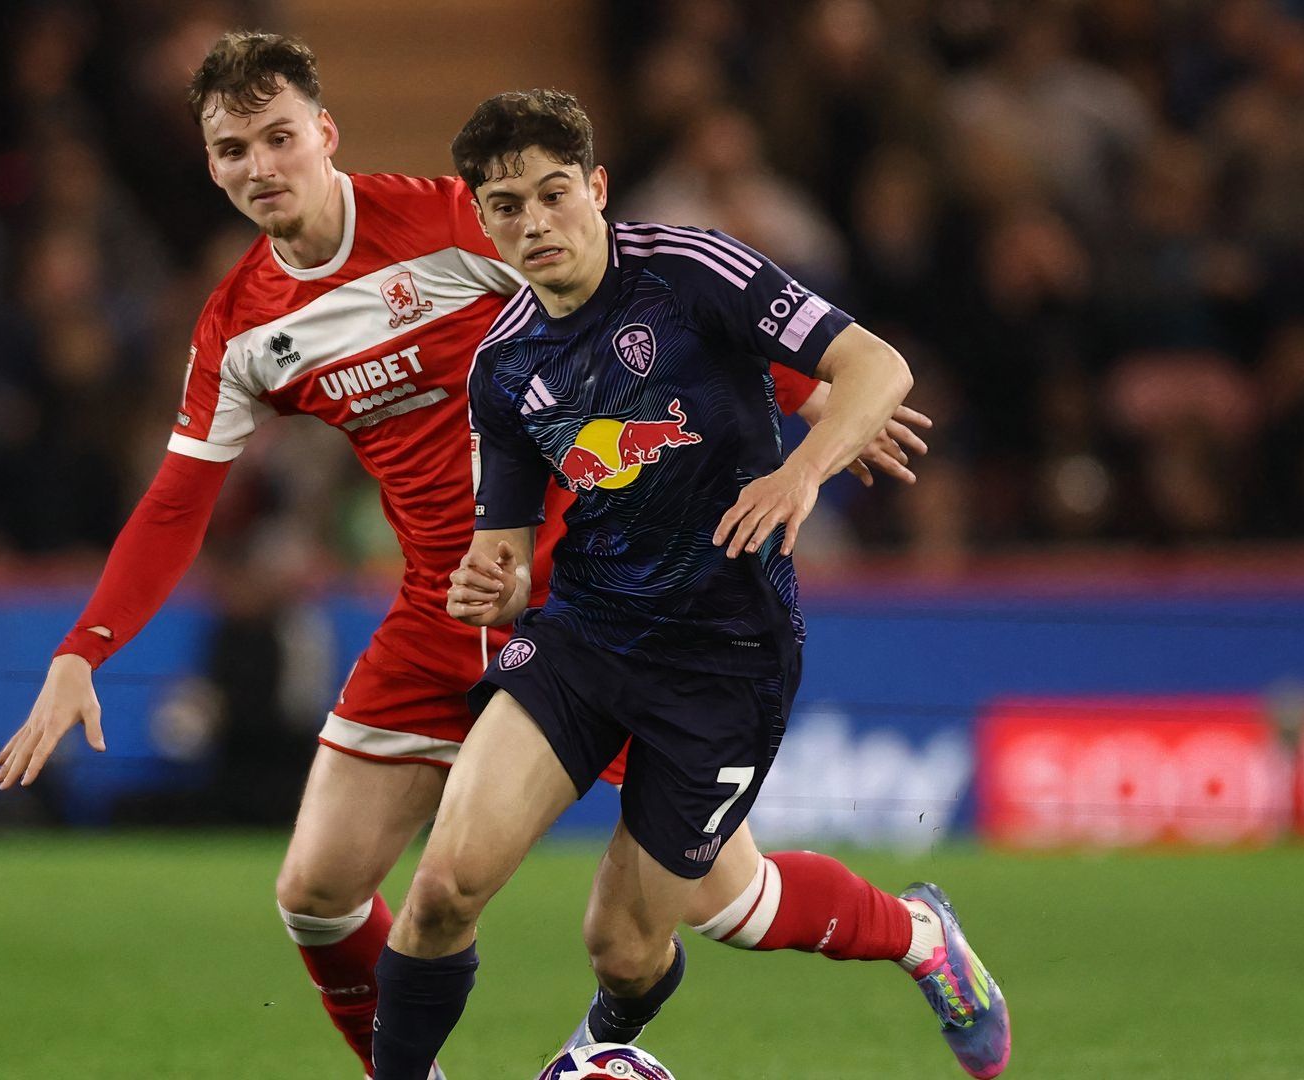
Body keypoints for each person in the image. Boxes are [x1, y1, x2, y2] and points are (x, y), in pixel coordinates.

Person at [0, 33, 923, 1079]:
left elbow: (621, 294)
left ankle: (920, 937)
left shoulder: (454, 219)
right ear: (209, 165)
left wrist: (811, 392)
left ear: (325, 135)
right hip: (446, 605)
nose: (260, 166)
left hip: (595, 599)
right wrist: (84, 651)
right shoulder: (240, 328)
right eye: (233, 148)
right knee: (316, 891)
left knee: (721, 903)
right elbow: (176, 503)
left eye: (279, 137)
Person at [371, 90, 1010, 1080]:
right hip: (584, 633)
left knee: (629, 945)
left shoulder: (688, 270)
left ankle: (916, 932)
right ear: (485, 220)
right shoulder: (501, 365)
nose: (533, 222)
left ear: (596, 188)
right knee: (445, 883)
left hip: (723, 658)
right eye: (505, 206)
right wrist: (483, 586)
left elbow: (877, 366)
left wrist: (801, 470)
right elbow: (501, 558)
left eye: (552, 194)